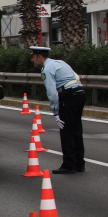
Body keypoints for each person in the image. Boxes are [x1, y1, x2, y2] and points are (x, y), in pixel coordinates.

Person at [30, 46, 85, 174]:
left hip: (69, 97)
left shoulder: (47, 69)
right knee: (76, 129)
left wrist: (56, 112)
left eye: (33, 57)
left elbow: (52, 92)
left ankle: (69, 164)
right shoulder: (60, 62)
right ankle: (79, 163)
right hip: (80, 94)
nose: (32, 60)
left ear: (40, 57)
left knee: (66, 131)